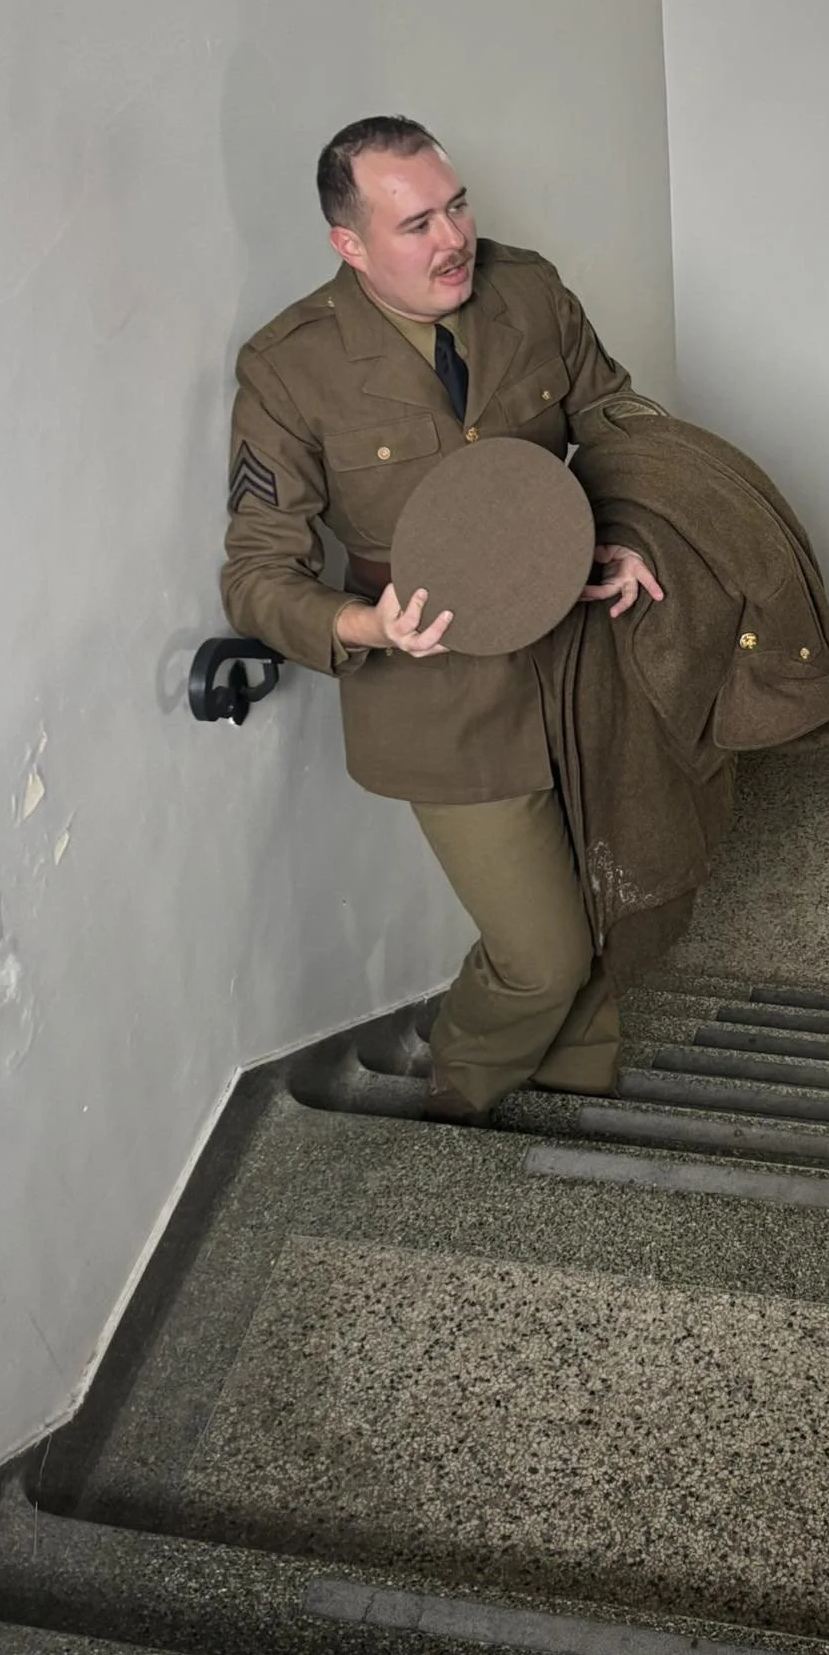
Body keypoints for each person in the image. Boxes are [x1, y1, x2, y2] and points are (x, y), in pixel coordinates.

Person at [222, 116, 667, 1125]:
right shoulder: (289, 367)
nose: (453, 236)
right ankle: (460, 1102)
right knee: (540, 953)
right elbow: (255, 573)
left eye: (456, 205)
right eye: (416, 222)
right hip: (435, 689)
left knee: (601, 895)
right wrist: (363, 626)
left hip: (574, 650)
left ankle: (575, 1098)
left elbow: (613, 415)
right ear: (350, 244)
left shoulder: (531, 290)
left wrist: (630, 528)